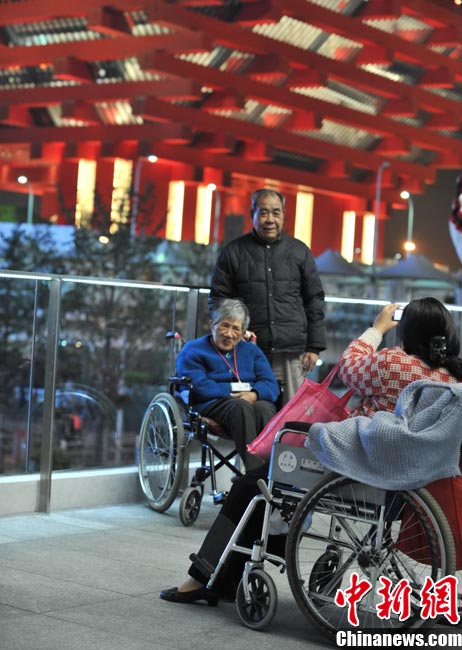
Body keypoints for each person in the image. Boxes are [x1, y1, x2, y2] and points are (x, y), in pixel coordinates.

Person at [160, 297, 462, 606]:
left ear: (407, 331)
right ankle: (230, 574)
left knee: (251, 486)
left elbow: (347, 368)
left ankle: (203, 577)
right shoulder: (451, 378)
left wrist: (377, 329)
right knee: (264, 486)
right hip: (403, 483)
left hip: (353, 467)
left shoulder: (393, 363)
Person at [208, 188, 327, 400]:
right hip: (246, 347)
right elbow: (218, 299)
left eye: (276, 212)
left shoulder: (299, 251)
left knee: (291, 410)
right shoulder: (233, 251)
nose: (270, 219)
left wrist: (314, 346)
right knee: (251, 405)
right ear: (252, 214)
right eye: (263, 213)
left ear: (283, 215)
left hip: (290, 350)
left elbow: (314, 300)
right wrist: (233, 332)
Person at [176, 298, 279, 471]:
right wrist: (232, 391)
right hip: (211, 404)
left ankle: (272, 471)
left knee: (265, 408)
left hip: (247, 405)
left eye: (236, 328)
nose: (229, 334)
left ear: (243, 332)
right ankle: (255, 475)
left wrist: (254, 394)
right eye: (224, 325)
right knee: (240, 406)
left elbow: (270, 384)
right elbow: (200, 386)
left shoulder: (251, 351)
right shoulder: (193, 350)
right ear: (212, 325)